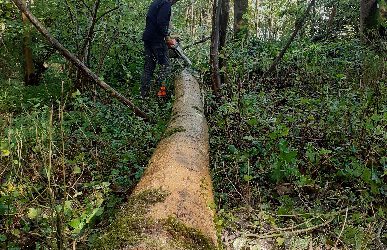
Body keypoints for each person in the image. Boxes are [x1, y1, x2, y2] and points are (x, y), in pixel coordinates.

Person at [141, 0, 178, 98]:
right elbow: (161, 22)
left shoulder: (156, 2)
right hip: (157, 40)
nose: (175, 3)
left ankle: (144, 95)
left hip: (148, 38)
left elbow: (152, 21)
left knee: (149, 67)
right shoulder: (165, 4)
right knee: (166, 66)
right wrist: (167, 37)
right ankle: (160, 94)